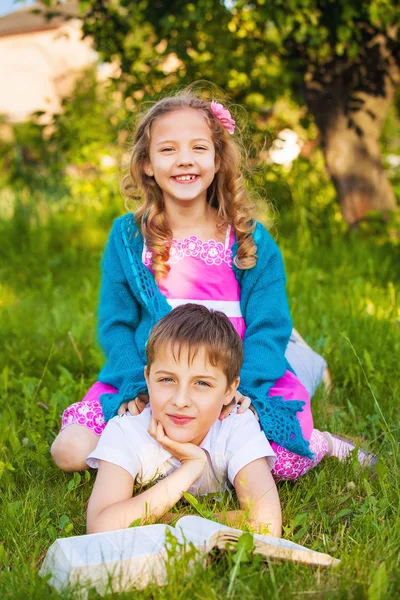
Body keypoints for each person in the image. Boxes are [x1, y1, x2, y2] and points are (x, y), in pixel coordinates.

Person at [51, 90, 370, 475]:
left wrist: (239, 392)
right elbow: (116, 323)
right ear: (147, 164)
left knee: (280, 462)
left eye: (198, 148)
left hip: (232, 381)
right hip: (157, 382)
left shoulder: (248, 240)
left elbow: (269, 327)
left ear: (217, 160)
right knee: (70, 451)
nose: (184, 159)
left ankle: (325, 441)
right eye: (167, 149)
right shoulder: (129, 238)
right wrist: (138, 384)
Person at [86, 304, 282, 535]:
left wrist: (157, 518)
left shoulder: (236, 425)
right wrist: (190, 467)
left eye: (202, 383)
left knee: (293, 456)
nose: (181, 401)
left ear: (230, 390)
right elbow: (100, 528)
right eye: (167, 379)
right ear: (147, 378)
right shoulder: (126, 431)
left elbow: (266, 525)